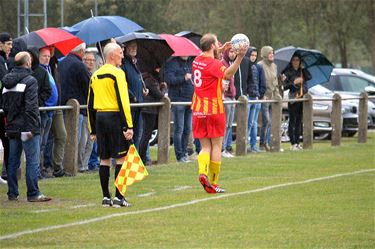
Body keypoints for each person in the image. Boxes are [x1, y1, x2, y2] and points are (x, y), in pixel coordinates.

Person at [192, 33, 248, 194]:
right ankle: (214, 183)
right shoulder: (214, 64)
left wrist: (220, 48)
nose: (220, 45)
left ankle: (203, 173)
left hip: (198, 109)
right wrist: (240, 57)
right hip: (214, 109)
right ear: (212, 47)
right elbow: (228, 74)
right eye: (217, 43)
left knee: (204, 147)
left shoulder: (196, 61)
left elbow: (205, 53)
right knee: (217, 145)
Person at [87, 43, 133, 208]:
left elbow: (89, 104)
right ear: (112, 55)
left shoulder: (95, 75)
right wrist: (129, 126)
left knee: (104, 158)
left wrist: (92, 128)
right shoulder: (118, 73)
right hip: (115, 117)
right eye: (120, 53)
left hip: (100, 118)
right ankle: (119, 198)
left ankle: (106, 197)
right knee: (121, 157)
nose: (122, 55)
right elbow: (123, 100)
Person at [2, 51, 51, 202]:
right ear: (28, 63)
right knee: (32, 160)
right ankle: (33, 193)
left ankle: (12, 193)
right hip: (27, 126)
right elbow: (31, 107)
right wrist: (32, 127)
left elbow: (4, 105)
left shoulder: (6, 81)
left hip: (11, 126)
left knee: (13, 161)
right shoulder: (30, 80)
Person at [59, 42, 91, 172]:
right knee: (78, 140)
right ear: (82, 52)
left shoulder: (62, 63)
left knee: (66, 139)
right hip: (79, 107)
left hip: (64, 105)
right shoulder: (79, 65)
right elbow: (88, 85)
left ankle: (65, 165)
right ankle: (76, 166)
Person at [164, 56, 194, 163]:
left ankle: (184, 153)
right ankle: (179, 155)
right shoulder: (172, 63)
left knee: (187, 129)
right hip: (178, 100)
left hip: (189, 100)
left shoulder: (190, 63)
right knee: (179, 129)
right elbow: (169, 79)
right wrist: (183, 78)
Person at [138, 63, 167, 165]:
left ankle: (143, 157)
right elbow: (159, 94)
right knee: (146, 135)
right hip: (148, 110)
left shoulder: (149, 78)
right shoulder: (149, 79)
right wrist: (163, 88)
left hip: (150, 109)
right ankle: (142, 158)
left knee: (146, 135)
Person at [121, 40, 147, 151]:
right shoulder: (123, 64)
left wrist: (143, 90)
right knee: (128, 136)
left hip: (138, 105)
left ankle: (133, 161)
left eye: (135, 46)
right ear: (125, 48)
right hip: (129, 105)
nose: (133, 49)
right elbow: (123, 84)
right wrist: (133, 97)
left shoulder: (135, 63)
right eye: (131, 46)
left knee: (137, 135)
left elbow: (136, 81)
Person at [282, 54, 311, 150]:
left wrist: (303, 70)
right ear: (291, 61)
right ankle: (293, 143)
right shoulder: (288, 72)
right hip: (293, 98)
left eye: (297, 60)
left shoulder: (302, 71)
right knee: (292, 120)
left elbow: (309, 77)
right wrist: (294, 83)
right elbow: (284, 86)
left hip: (301, 98)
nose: (295, 62)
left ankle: (298, 143)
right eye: (294, 60)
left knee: (299, 121)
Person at [257, 46, 281, 151]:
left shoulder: (274, 66)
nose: (272, 55)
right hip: (265, 97)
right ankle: (262, 143)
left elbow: (275, 82)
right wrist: (262, 95)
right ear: (265, 54)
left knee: (273, 121)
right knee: (266, 120)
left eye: (273, 53)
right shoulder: (259, 65)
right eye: (270, 53)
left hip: (273, 98)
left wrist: (277, 94)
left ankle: (271, 143)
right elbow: (258, 82)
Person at [83, 50, 100, 171]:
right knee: (86, 139)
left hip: (93, 111)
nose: (90, 62)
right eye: (88, 60)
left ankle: (92, 162)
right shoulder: (85, 74)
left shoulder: (94, 74)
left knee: (91, 140)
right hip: (86, 111)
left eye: (92, 60)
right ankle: (88, 163)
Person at [247, 47, 266, 153]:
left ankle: (253, 145)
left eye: (255, 55)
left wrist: (259, 95)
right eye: (251, 55)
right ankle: (244, 145)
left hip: (256, 97)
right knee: (248, 123)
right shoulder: (245, 65)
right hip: (249, 97)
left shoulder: (258, 67)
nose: (253, 57)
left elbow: (261, 82)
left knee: (254, 123)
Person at [0, 32, 12, 184]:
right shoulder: (1, 60)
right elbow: (6, 81)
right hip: (1, 109)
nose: (10, 47)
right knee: (7, 142)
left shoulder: (5, 60)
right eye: (8, 44)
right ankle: (7, 174)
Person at [220, 49, 236, 158]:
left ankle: (224, 148)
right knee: (224, 125)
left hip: (232, 97)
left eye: (234, 52)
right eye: (231, 52)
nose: (233, 54)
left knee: (229, 125)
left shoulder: (231, 64)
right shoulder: (223, 64)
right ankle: (221, 149)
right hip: (226, 98)